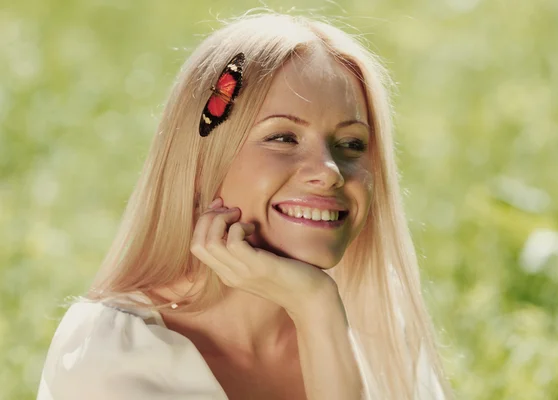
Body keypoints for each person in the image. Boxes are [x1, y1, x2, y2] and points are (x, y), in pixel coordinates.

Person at [37, 12, 452, 400]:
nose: (329, 172)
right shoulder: (112, 352)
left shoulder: (381, 328)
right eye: (283, 138)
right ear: (200, 163)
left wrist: (317, 310)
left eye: (351, 144)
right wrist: (316, 307)